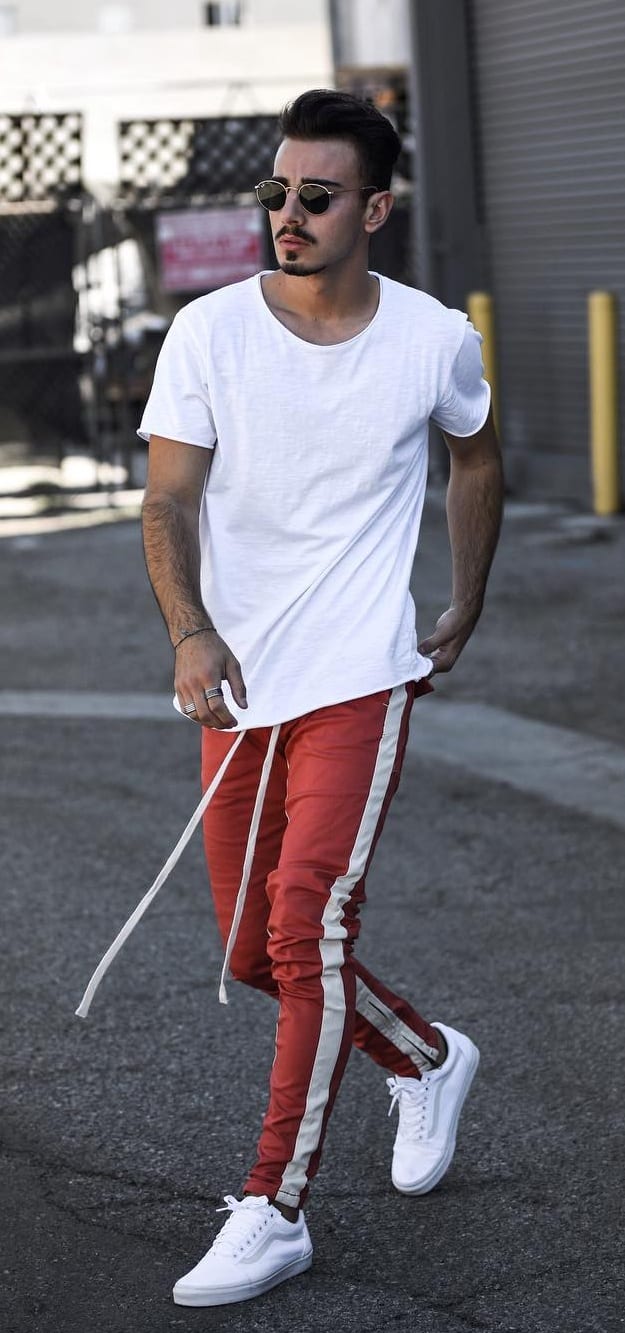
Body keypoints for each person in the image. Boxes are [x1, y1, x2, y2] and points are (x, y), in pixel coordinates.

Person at [138, 88, 504, 1308]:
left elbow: (477, 451)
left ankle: (272, 1206)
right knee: (254, 954)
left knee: (307, 931)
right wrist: (189, 628)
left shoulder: (430, 337)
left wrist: (464, 599)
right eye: (275, 194)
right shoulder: (207, 334)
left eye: (316, 196)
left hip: (361, 672)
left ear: (376, 210)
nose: (286, 215)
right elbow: (169, 501)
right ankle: (427, 1055)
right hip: (242, 685)